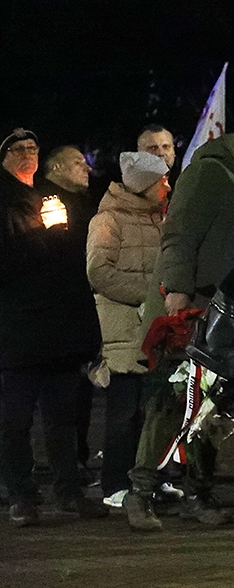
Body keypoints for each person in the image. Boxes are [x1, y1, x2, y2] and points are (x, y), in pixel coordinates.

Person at [123, 121, 234, 530]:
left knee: (209, 405)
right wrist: (177, 292)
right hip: (192, 306)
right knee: (173, 402)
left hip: (223, 312)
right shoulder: (208, 172)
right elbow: (180, 234)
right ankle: (141, 492)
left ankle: (198, 492)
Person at [0, 128, 107, 526]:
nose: (28, 153)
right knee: (15, 420)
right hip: (18, 329)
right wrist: (43, 240)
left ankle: (68, 490)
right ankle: (22, 495)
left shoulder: (51, 197)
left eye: (33, 147)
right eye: (18, 148)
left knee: (63, 418)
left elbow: (71, 260)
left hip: (59, 330)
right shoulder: (6, 200)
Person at [86, 152, 169, 508]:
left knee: (155, 409)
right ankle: (114, 483)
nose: (167, 185)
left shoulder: (160, 219)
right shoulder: (108, 220)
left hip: (155, 329)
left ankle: (148, 479)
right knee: (124, 410)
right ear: (144, 186)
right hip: (124, 329)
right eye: (161, 180)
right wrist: (151, 296)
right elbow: (99, 273)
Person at [35, 146, 102, 475]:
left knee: (78, 397)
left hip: (77, 315)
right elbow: (65, 254)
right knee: (63, 400)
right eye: (77, 162)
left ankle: (76, 461)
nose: (85, 168)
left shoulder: (82, 204)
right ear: (55, 167)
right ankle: (68, 468)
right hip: (60, 318)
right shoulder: (51, 203)